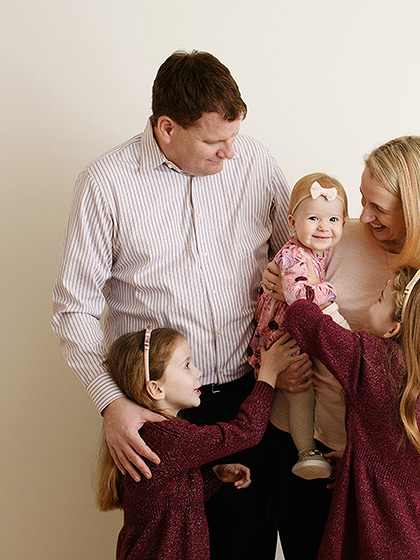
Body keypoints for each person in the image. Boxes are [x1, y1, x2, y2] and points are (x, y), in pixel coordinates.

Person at [52, 50, 303, 560]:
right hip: (155, 414)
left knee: (248, 544)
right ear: (166, 128)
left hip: (248, 396)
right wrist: (111, 401)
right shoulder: (105, 184)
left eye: (234, 136)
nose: (230, 153)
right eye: (214, 141)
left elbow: (294, 264)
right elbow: (73, 308)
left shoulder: (255, 163)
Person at [262, 136, 420, 559]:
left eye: (379, 207)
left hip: (372, 470)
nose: (364, 216)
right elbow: (285, 289)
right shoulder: (338, 234)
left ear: (416, 209)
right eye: (361, 200)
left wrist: (361, 461)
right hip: (303, 439)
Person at [285, 266, 420, 559]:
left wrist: (305, 285)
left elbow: (301, 318)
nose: (371, 302)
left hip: (375, 545)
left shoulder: (371, 360)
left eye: (379, 299)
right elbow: (397, 455)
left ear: (393, 329)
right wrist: (355, 461)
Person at [96, 327, 299, 560]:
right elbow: (246, 431)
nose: (199, 373)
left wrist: (214, 475)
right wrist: (268, 376)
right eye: (187, 366)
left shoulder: (155, 434)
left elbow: (171, 501)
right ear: (156, 388)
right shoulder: (170, 438)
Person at [248, 173, 349, 480]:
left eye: (333, 219)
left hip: (292, 330)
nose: (323, 227)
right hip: (280, 337)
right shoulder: (294, 256)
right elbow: (297, 296)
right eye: (313, 218)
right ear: (292, 223)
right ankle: (306, 451)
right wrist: (330, 289)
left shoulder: (319, 249)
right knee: (301, 388)